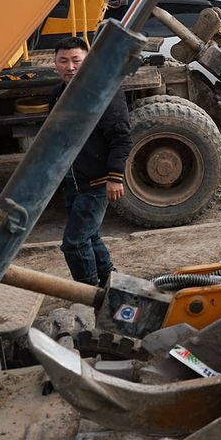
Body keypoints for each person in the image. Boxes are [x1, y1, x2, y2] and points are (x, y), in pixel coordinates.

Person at [50, 36, 132, 287]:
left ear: (88, 62)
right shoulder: (57, 94)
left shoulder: (104, 92)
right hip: (73, 181)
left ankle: (87, 293)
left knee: (74, 244)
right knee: (90, 236)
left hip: (97, 181)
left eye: (76, 60)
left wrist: (115, 176)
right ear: (55, 63)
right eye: (63, 61)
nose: (70, 67)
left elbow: (121, 137)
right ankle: (111, 281)